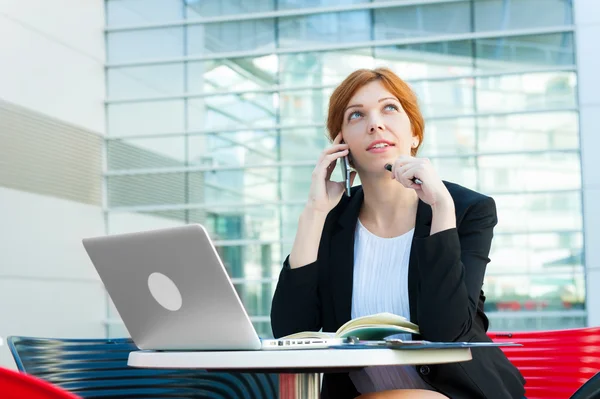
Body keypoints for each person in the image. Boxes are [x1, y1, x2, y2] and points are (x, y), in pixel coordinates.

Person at [270, 67, 526, 399]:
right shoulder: (331, 220)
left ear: (415, 133)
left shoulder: (466, 210)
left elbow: (446, 332)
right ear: (341, 144)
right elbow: (291, 333)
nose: (375, 123)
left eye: (389, 108)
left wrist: (441, 211)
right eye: (356, 115)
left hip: (460, 390)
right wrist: (314, 212)